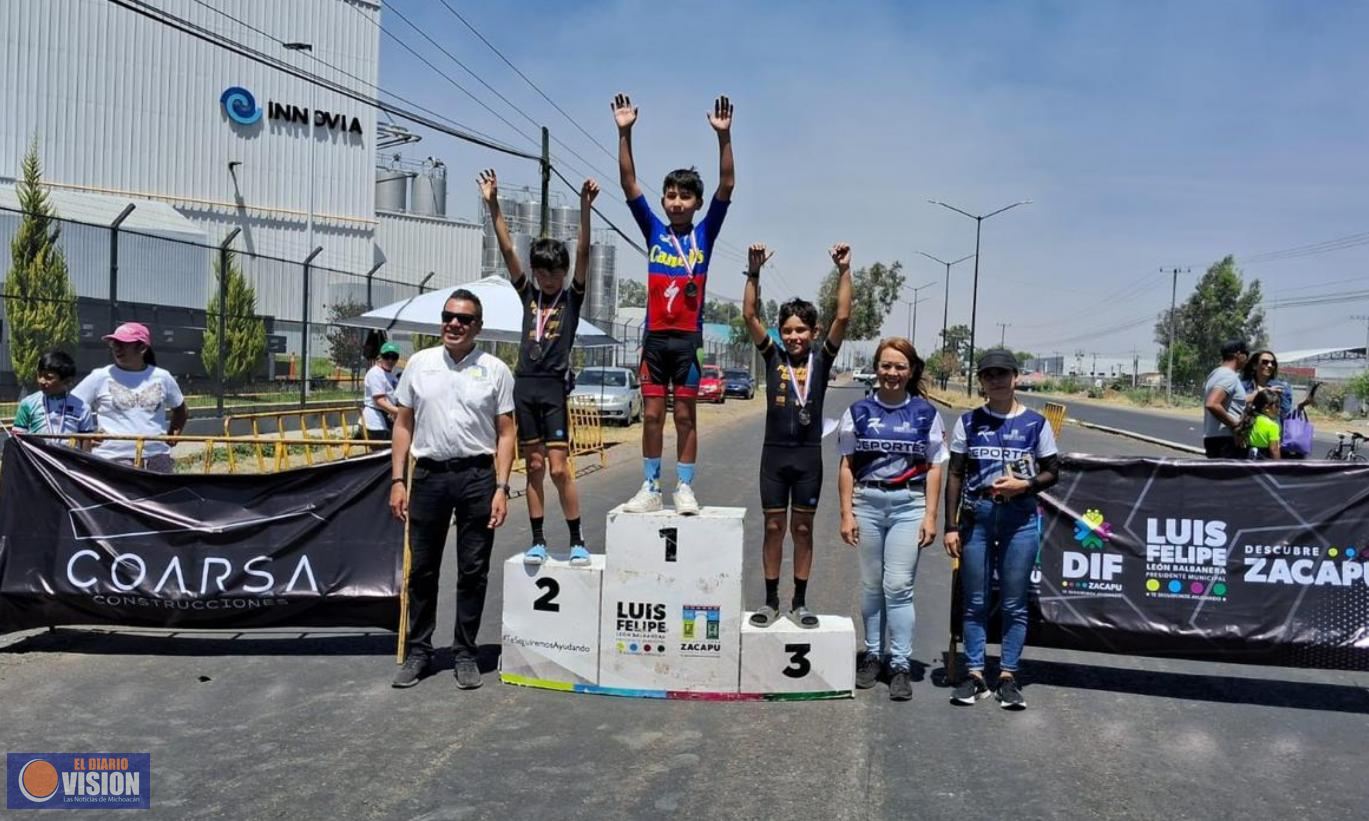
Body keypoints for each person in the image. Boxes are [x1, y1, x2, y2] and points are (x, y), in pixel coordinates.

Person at [613, 91, 735, 515]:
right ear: (663, 200)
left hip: (688, 341)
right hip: (654, 339)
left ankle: (684, 486)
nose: (677, 202)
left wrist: (723, 137)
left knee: (685, 415)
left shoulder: (705, 234)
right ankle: (650, 486)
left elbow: (727, 186)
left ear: (697, 203)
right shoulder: (653, 230)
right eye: (670, 195)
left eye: (685, 196)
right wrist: (624, 134)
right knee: (651, 415)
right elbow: (629, 184)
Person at [388, 289, 516, 691]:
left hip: (478, 477)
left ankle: (465, 653)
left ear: (478, 326)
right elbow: (403, 425)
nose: (454, 324)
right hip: (429, 477)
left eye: (464, 319)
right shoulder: (419, 364)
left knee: (473, 571)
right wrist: (397, 480)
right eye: (448, 317)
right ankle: (419, 652)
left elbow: (506, 432)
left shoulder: (495, 370)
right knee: (422, 571)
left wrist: (501, 486)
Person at [480, 169, 598, 567]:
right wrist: (493, 204)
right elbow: (507, 249)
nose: (548, 279)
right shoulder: (528, 294)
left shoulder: (571, 299)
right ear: (534, 272)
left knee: (559, 469)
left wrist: (584, 208)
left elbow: (584, 252)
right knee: (532, 466)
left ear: (564, 273)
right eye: (542, 272)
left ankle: (577, 539)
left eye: (555, 272)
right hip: (524, 386)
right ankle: (537, 540)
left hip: (552, 388)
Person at [742, 241, 851, 629]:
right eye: (787, 330)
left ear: (814, 332)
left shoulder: (822, 359)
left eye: (801, 330)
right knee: (773, 527)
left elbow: (843, 316)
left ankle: (800, 603)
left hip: (807, 458)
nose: (794, 336)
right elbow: (749, 314)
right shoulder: (772, 355)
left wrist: (843, 270)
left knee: (802, 529)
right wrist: (754, 271)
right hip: (774, 457)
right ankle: (770, 601)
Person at [944, 350, 1060, 711]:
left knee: (1013, 602)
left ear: (1015, 377)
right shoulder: (968, 421)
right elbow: (955, 474)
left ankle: (1008, 676)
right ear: (981, 381)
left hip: (1020, 519)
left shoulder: (1036, 423)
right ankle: (975, 674)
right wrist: (950, 526)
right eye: (988, 374)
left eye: (1002, 373)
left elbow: (1052, 472)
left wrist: (1024, 486)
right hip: (977, 517)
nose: (996, 380)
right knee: (976, 601)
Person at [837, 338, 946, 702]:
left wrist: (931, 516)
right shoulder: (858, 411)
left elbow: (934, 468)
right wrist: (846, 513)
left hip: (908, 506)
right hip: (867, 503)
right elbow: (847, 466)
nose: (892, 373)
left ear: (911, 371)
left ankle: (899, 663)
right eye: (886, 365)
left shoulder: (925, 414)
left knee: (898, 586)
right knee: (871, 585)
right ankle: (872, 655)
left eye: (900, 366)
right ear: (876, 368)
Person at [72, 322, 187, 473]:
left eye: (123, 343)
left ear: (142, 348)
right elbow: (72, 406)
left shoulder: (163, 377)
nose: (117, 348)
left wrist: (174, 432)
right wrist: (86, 434)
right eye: (114, 343)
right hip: (112, 458)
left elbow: (180, 408)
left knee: (159, 489)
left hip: (156, 457)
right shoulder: (99, 376)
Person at [1239, 349, 1318, 459]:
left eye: (1273, 363)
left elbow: (1285, 413)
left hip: (1272, 441)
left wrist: (1301, 405)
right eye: (1265, 362)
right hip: (1245, 441)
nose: (1269, 365)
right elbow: (1236, 404)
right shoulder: (1242, 386)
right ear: (1254, 365)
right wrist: (1261, 393)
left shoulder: (1282, 387)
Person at [11, 350, 96, 440]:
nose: (42, 381)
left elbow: (86, 443)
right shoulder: (28, 404)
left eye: (49, 377)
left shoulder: (82, 408)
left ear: (67, 381)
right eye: (39, 375)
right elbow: (17, 438)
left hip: (67, 450)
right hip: (34, 450)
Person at [1201, 339, 1249, 459]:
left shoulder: (1215, 374)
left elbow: (1232, 401)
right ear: (1238, 354)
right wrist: (1235, 425)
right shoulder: (1229, 376)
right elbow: (1212, 403)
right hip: (1226, 441)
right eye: (1246, 354)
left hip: (1214, 438)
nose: (1247, 359)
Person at [361, 342, 402, 442]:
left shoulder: (391, 375)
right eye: (387, 356)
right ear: (381, 356)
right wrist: (401, 413)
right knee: (382, 450)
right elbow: (380, 401)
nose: (390, 360)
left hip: (387, 419)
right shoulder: (375, 373)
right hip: (375, 423)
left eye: (394, 357)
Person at [1238, 389, 1282, 460]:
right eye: (1277, 406)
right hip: (1263, 461)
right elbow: (1274, 450)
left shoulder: (1248, 420)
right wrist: (1279, 464)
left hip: (1246, 459)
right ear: (1267, 408)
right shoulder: (1272, 425)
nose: (1279, 409)